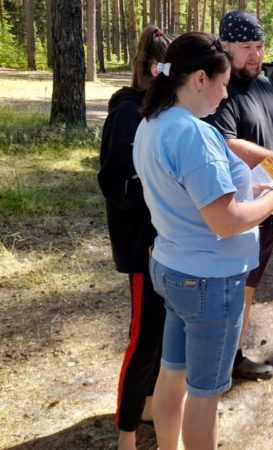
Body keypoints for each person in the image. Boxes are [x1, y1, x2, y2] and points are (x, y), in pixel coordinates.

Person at [132, 32, 273, 450]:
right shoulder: (194, 134)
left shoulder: (153, 122)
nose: (226, 91)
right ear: (199, 79)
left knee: (172, 374)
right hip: (209, 281)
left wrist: (264, 195)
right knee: (205, 393)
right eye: (223, 82)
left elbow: (196, 200)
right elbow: (225, 221)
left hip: (174, 267)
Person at [205, 10, 273, 381]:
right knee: (230, 289)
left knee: (249, 287)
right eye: (246, 47)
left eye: (260, 46)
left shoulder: (267, 85)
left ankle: (232, 357)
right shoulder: (220, 88)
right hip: (238, 209)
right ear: (225, 46)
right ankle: (214, 364)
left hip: (272, 209)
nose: (255, 55)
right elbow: (228, 143)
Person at [97, 25, 173, 450]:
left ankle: (146, 405)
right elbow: (113, 182)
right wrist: (153, 203)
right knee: (143, 338)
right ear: (151, 68)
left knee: (162, 337)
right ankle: (126, 430)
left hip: (165, 246)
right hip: (143, 249)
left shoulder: (158, 113)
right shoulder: (127, 113)